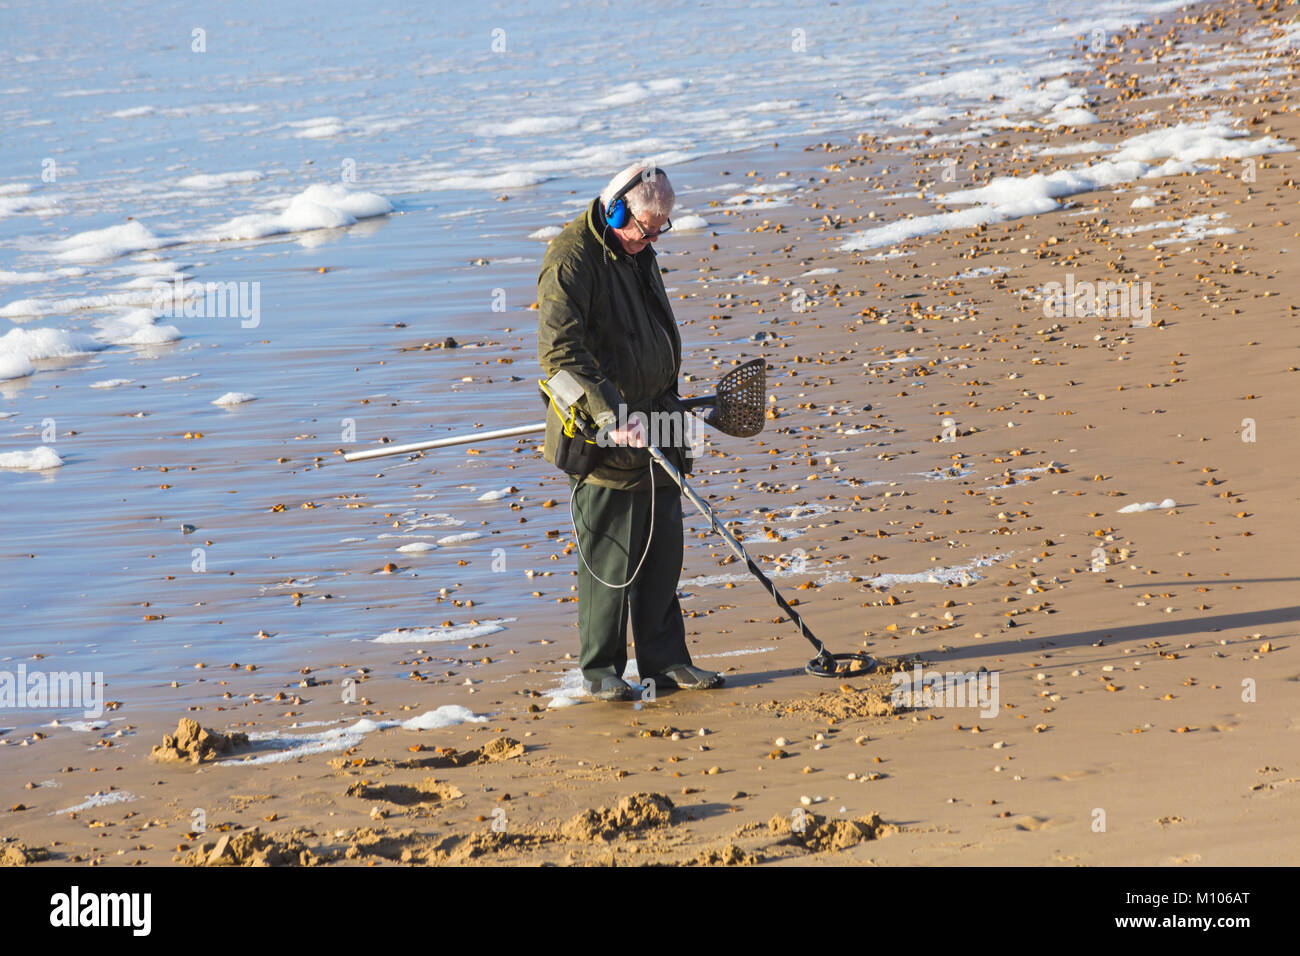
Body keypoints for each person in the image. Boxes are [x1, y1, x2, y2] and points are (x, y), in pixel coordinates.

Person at [536, 164, 724, 702]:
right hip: (603, 430)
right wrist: (610, 416)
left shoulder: (638, 248)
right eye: (644, 228)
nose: (652, 239)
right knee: (610, 555)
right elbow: (560, 357)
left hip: (660, 417)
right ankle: (600, 671)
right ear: (615, 210)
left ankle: (665, 663)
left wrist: (665, 401)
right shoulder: (570, 260)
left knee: (664, 547)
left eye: (661, 229)